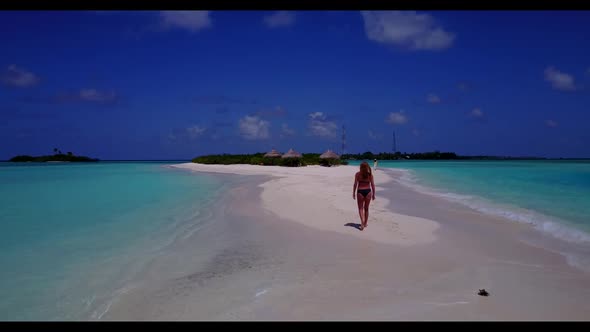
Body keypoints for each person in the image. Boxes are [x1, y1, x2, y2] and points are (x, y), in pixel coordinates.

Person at [352, 161, 376, 231]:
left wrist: (353, 193)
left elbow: (355, 184)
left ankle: (362, 222)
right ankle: (365, 223)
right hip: (368, 192)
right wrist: (374, 194)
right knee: (366, 208)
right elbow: (372, 185)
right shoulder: (370, 175)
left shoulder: (357, 174)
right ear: (367, 167)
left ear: (361, 167)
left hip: (360, 192)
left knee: (360, 208)